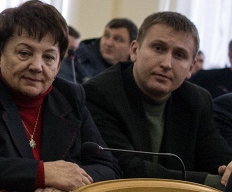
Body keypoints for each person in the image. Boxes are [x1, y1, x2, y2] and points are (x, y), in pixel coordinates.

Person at [0, 0, 120, 192]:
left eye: (49, 57)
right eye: (25, 53)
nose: (37, 66)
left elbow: (108, 167)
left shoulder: (71, 97)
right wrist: (42, 174)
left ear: (58, 66)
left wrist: (67, 185)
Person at [84, 11, 232, 189]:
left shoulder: (197, 100)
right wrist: (213, 182)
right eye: (158, 48)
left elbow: (217, 156)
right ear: (135, 51)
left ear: (191, 67)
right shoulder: (99, 93)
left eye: (179, 55)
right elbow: (126, 168)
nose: (166, 64)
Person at [73, 18, 137, 83]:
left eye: (117, 39)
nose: (109, 43)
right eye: (106, 35)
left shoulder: (136, 72)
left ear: (132, 47)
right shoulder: (78, 59)